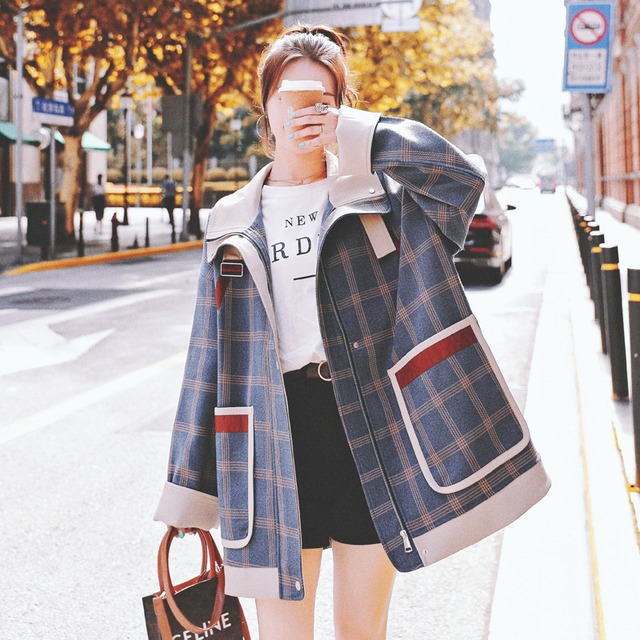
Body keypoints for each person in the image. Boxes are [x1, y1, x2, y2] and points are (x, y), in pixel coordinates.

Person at [154, 24, 550, 640]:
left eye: (321, 99)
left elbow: (460, 181)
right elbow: (208, 355)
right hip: (267, 440)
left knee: (361, 629)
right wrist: (187, 487)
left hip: (366, 429)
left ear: (341, 107)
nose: (302, 112)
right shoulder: (231, 217)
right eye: (287, 97)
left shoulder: (378, 200)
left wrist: (361, 133)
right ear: (265, 108)